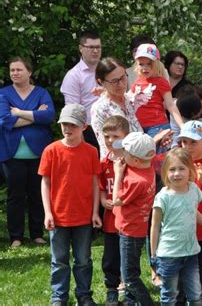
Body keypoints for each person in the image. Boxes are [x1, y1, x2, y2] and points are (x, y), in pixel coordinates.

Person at [39, 104, 102, 306]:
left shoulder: (91, 152)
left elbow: (94, 182)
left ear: (83, 127)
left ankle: (84, 295)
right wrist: (48, 212)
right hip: (58, 216)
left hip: (83, 216)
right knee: (59, 260)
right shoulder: (51, 150)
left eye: (73, 125)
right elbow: (45, 182)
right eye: (64, 124)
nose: (67, 129)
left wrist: (95, 213)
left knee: (83, 259)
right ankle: (59, 296)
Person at [150, 148, 202, 306]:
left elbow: (192, 212)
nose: (177, 174)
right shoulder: (163, 197)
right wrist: (154, 254)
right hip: (169, 255)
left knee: (196, 296)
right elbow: (154, 227)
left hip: (191, 253)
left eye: (182, 168)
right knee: (170, 296)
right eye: (172, 169)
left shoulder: (194, 190)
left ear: (190, 171)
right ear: (165, 173)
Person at [0, 57, 55, 247]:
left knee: (37, 194)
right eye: (12, 70)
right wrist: (34, 115)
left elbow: (48, 115)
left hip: (39, 153)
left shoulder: (41, 92)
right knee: (15, 196)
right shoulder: (4, 94)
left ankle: (37, 233)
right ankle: (15, 236)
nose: (15, 73)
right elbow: (4, 121)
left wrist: (19, 113)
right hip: (11, 154)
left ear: (29, 72)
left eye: (19, 70)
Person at [111, 132, 157, 306]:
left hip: (129, 232)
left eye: (125, 153)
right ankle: (131, 303)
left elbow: (116, 200)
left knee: (129, 277)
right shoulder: (147, 168)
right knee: (131, 269)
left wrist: (117, 174)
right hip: (136, 229)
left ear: (136, 160)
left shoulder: (137, 181)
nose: (122, 155)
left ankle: (146, 303)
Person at [176, 120, 202, 305]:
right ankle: (182, 298)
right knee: (182, 269)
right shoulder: (177, 163)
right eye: (184, 142)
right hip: (183, 229)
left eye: (193, 142)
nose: (188, 146)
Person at [98, 115, 130, 305]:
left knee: (128, 255)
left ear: (126, 137)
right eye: (107, 136)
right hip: (111, 219)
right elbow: (101, 186)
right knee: (110, 256)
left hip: (128, 219)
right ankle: (111, 288)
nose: (110, 141)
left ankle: (128, 287)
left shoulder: (132, 161)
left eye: (115, 136)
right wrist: (103, 201)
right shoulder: (104, 162)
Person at [91, 57, 145, 158]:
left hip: (142, 160)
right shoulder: (99, 109)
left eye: (123, 77)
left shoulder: (131, 99)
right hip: (118, 165)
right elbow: (107, 147)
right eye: (115, 81)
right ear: (101, 82)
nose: (121, 84)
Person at [61, 30, 102, 151]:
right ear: (81, 48)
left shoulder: (108, 69)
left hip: (113, 127)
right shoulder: (73, 76)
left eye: (98, 47)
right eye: (91, 47)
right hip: (89, 130)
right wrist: (81, 143)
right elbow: (73, 112)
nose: (95, 51)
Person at [131, 43, 184, 137]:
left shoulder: (161, 81)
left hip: (157, 127)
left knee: (154, 151)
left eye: (149, 64)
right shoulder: (138, 81)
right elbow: (127, 98)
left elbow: (170, 105)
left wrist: (182, 126)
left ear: (157, 64)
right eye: (141, 64)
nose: (145, 68)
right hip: (139, 128)